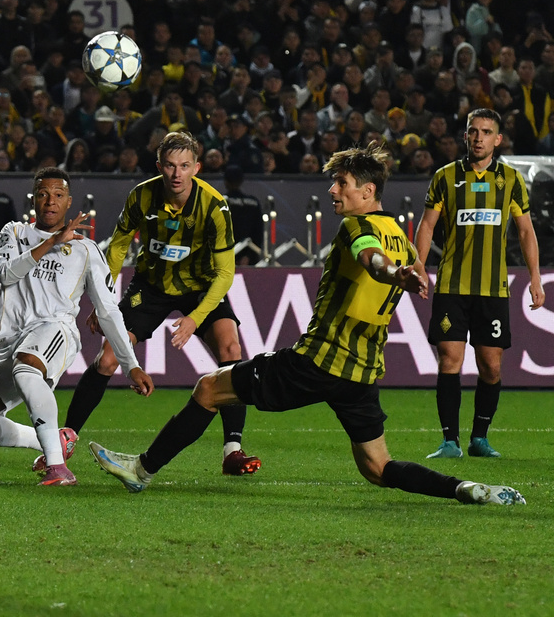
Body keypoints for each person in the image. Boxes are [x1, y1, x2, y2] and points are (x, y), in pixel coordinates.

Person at [89, 142, 527, 507]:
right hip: (361, 373)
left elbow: (369, 258)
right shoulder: (401, 237)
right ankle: (465, 488)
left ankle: (141, 470)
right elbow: (383, 261)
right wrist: (402, 271)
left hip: (317, 361)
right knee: (378, 468)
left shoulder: (357, 227)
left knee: (208, 388)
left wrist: (393, 274)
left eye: (342, 183)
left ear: (367, 191)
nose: (333, 190)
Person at [63, 132, 262, 476]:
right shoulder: (141, 196)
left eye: (184, 166)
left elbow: (225, 273)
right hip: (151, 286)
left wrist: (195, 318)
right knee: (108, 358)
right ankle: (65, 439)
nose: (176, 173)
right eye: (170, 165)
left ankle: (233, 450)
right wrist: (103, 300)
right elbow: (117, 248)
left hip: (200, 287)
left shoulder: (215, 206)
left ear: (196, 168)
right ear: (159, 166)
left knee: (230, 348)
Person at [0, 167, 153, 486]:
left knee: (27, 367)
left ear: (69, 202)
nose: (50, 201)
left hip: (54, 331)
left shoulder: (86, 250)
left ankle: (58, 468)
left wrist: (131, 365)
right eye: (43, 194)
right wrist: (52, 242)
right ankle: (50, 440)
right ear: (33, 200)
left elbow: (108, 311)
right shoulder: (14, 232)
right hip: (10, 342)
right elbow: (6, 274)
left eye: (58, 195)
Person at [414, 108, 545, 459]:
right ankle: (450, 441)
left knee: (491, 366)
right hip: (452, 286)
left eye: (486, 132)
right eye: (473, 131)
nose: (478, 138)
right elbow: (427, 225)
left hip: (492, 289)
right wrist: (419, 265)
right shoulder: (445, 176)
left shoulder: (511, 180)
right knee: (449, 361)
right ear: (465, 135)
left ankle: (479, 438)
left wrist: (535, 277)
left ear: (497, 139)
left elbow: (525, 231)